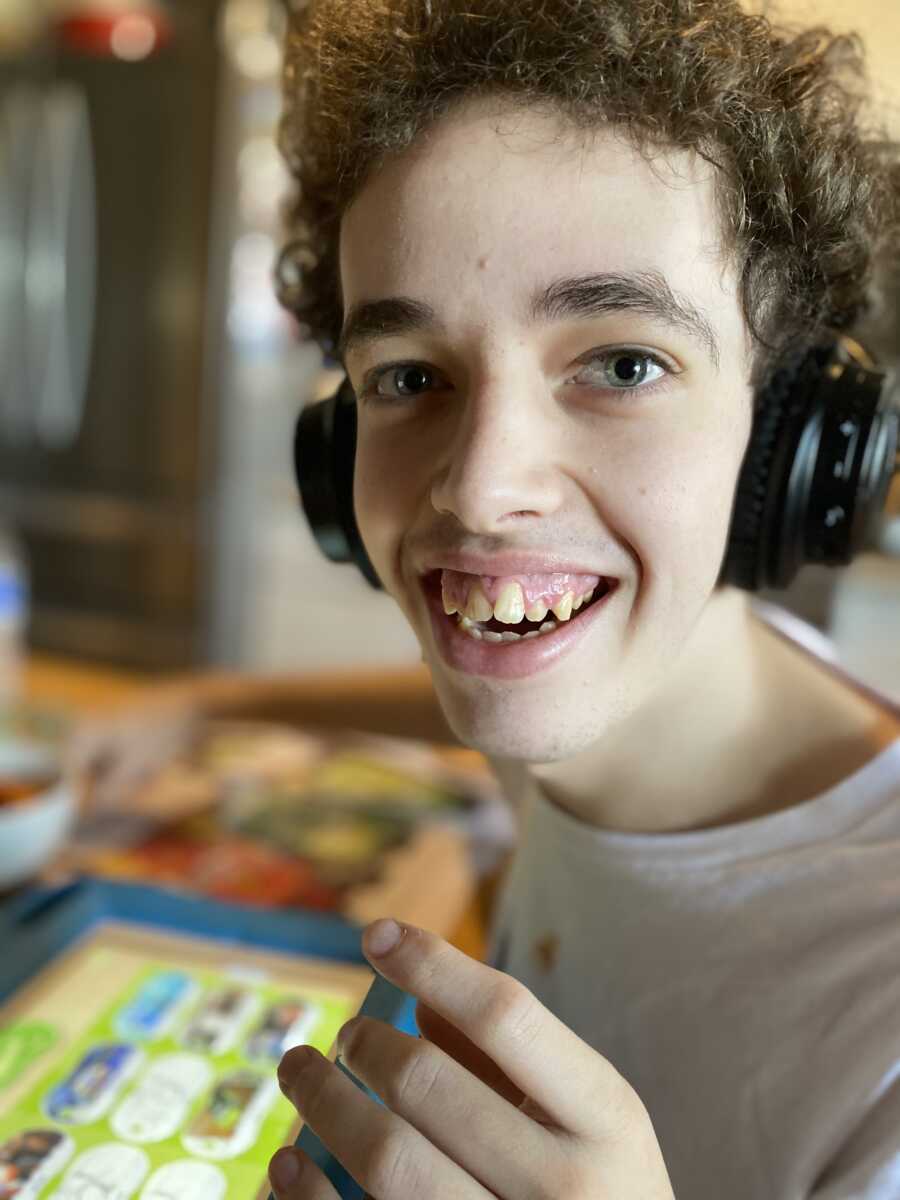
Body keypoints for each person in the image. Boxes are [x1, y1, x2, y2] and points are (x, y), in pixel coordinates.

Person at [70, 1, 900, 1196]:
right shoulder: (607, 682)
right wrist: (212, 700)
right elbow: (478, 696)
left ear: (786, 443)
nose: (480, 485)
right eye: (410, 377)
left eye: (623, 364)